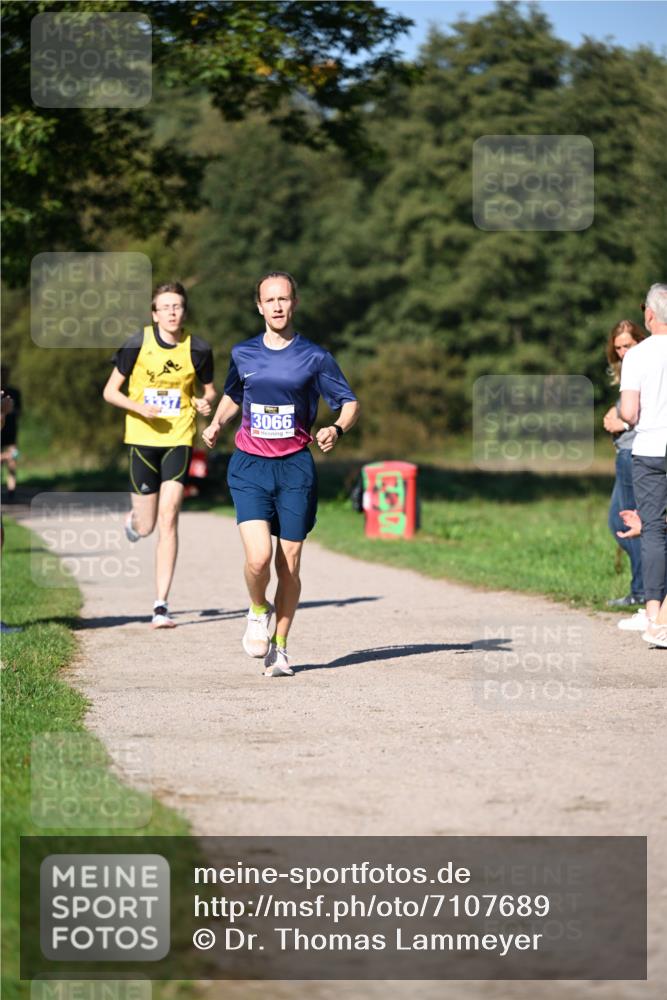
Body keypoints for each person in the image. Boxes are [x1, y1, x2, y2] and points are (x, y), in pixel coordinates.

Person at [203, 271, 359, 676]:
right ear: (259, 306)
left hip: (294, 467)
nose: (277, 306)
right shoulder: (243, 354)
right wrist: (218, 423)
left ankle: (281, 647)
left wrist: (335, 428)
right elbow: (235, 395)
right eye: (269, 300)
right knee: (259, 558)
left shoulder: (315, 357)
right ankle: (258, 609)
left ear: (294, 303)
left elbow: (349, 402)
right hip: (250, 464)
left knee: (289, 562)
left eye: (284, 299)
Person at [103, 282, 216, 628]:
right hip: (141, 438)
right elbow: (110, 392)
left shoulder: (198, 349)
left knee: (169, 517)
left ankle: (161, 605)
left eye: (177, 306)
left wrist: (205, 403)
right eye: (164, 307)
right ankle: (133, 521)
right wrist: (139, 407)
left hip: (180, 437)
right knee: (148, 524)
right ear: (154, 313)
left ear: (184, 311)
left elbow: (210, 392)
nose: (171, 312)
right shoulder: (137, 343)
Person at [619, 283, 667, 631]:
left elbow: (631, 413)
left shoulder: (638, 355)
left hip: (650, 450)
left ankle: (653, 613)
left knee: (651, 532)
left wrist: (621, 411)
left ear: (649, 315)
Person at [602, 320, 645, 608]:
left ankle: (644, 590)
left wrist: (618, 421)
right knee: (617, 521)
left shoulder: (644, 365)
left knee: (633, 523)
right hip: (623, 453)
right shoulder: (625, 369)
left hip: (633, 454)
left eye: (627, 346)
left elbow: (637, 415)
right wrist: (613, 416)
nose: (622, 353)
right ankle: (644, 587)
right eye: (617, 348)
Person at [0, 364, 22, 503]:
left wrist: (7, 411)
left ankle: (11, 492)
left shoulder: (14, 392)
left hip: (10, 430)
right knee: (8, 457)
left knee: (13, 459)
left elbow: (19, 411)